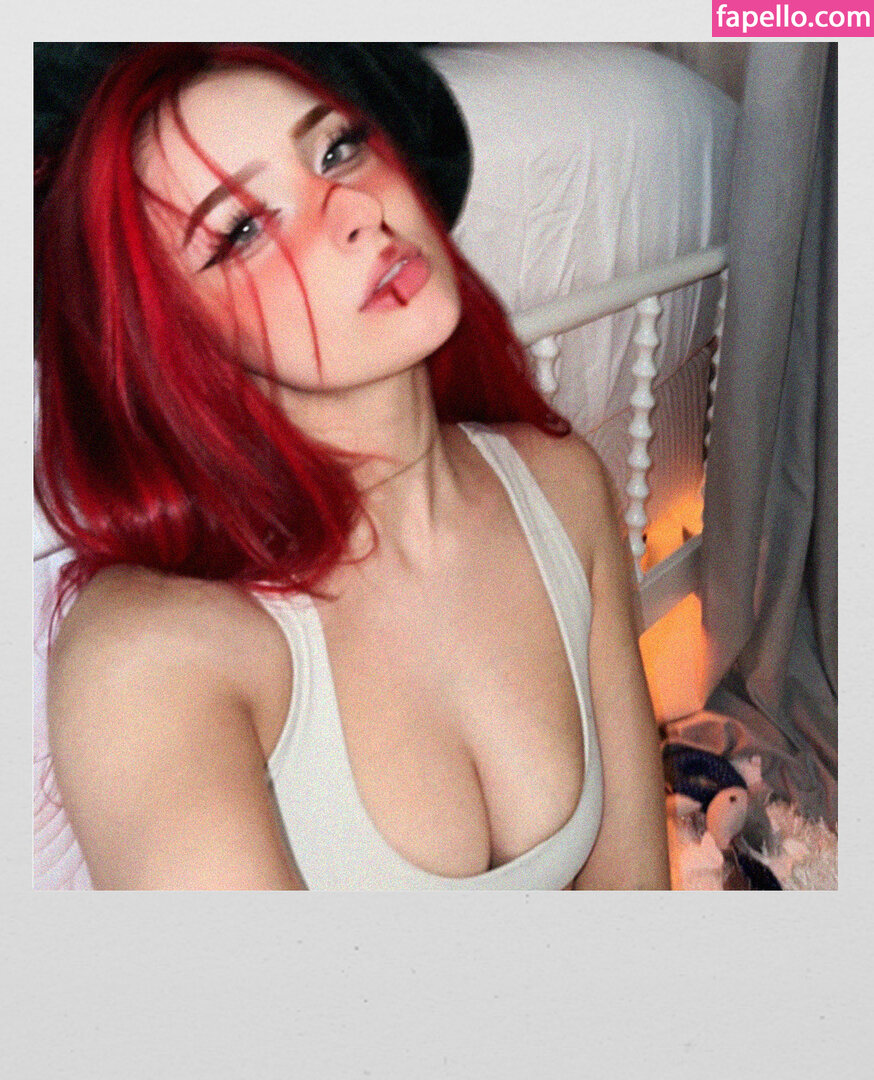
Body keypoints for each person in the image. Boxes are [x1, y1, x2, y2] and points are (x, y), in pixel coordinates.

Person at [35, 42, 670, 890]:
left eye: (338, 149)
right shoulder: (151, 655)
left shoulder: (564, 484)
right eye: (244, 229)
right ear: (170, 337)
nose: (356, 209)